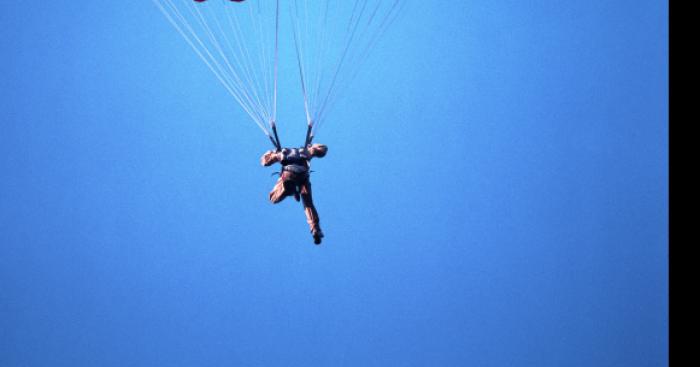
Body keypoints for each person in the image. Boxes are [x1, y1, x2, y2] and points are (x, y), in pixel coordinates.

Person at [261, 144, 328, 244]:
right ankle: (315, 228)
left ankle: (288, 188)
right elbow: (323, 150)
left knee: (273, 198)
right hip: (302, 176)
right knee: (307, 202)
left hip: (290, 173)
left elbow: (264, 162)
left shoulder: (286, 151)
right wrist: (311, 150)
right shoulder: (304, 151)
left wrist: (276, 155)